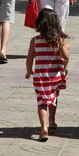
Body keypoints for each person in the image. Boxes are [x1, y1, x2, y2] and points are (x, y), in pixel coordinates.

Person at [25, 8, 70, 142]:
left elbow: (29, 58)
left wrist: (28, 71)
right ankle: (52, 121)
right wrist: (63, 46)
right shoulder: (58, 41)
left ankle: (43, 128)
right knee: (53, 99)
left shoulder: (35, 40)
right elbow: (65, 57)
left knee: (42, 103)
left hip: (40, 77)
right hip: (54, 77)